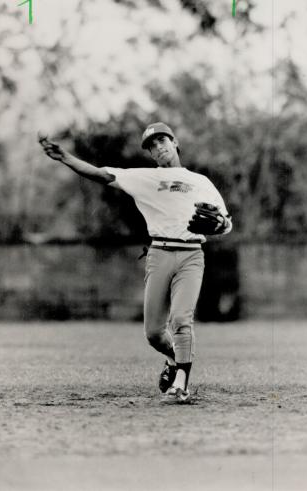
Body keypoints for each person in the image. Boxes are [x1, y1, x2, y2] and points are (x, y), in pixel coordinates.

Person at [39, 122, 232, 403]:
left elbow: (225, 223)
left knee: (181, 319)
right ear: (151, 154)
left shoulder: (201, 182)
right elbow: (101, 174)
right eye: (152, 146)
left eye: (162, 140)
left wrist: (220, 226)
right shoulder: (144, 178)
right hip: (159, 254)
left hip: (192, 255)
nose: (159, 147)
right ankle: (173, 358)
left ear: (175, 142)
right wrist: (65, 157)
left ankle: (181, 384)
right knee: (154, 333)